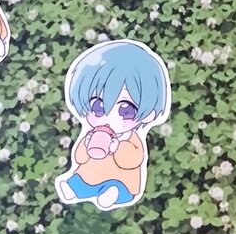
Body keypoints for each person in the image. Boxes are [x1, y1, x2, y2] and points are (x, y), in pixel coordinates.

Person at [55, 40, 171, 210]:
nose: (109, 118)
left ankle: (112, 194)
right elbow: (80, 158)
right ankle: (73, 190)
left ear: (149, 114)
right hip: (90, 177)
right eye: (98, 107)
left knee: (117, 187)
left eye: (126, 111)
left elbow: (132, 161)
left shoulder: (130, 139)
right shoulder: (91, 134)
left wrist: (117, 147)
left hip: (119, 180)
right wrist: (87, 144)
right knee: (78, 181)